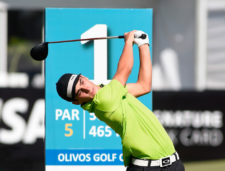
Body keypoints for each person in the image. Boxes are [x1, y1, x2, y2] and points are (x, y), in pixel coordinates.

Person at [56, 30, 185, 171]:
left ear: (85, 77)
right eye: (80, 92)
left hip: (173, 165)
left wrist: (143, 44)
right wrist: (129, 41)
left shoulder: (112, 92)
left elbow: (144, 85)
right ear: (76, 102)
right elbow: (125, 69)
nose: (85, 88)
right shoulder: (103, 101)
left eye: (81, 82)